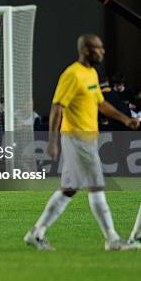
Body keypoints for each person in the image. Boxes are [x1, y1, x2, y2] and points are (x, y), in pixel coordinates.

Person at [24, 34, 141, 251]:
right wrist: (52, 141)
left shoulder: (91, 73)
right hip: (77, 137)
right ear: (86, 50)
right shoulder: (72, 75)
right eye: (98, 48)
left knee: (69, 188)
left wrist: (126, 119)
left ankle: (36, 233)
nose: (103, 51)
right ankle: (112, 239)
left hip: (86, 138)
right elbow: (57, 107)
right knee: (96, 186)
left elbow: (100, 103)